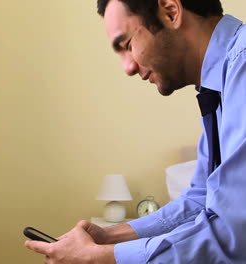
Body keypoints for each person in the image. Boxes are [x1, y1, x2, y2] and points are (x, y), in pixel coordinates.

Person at [25, 0, 246, 263]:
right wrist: (109, 237)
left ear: (171, 12)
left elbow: (234, 234)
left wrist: (101, 257)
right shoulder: (219, 89)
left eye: (128, 44)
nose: (128, 68)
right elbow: (201, 199)